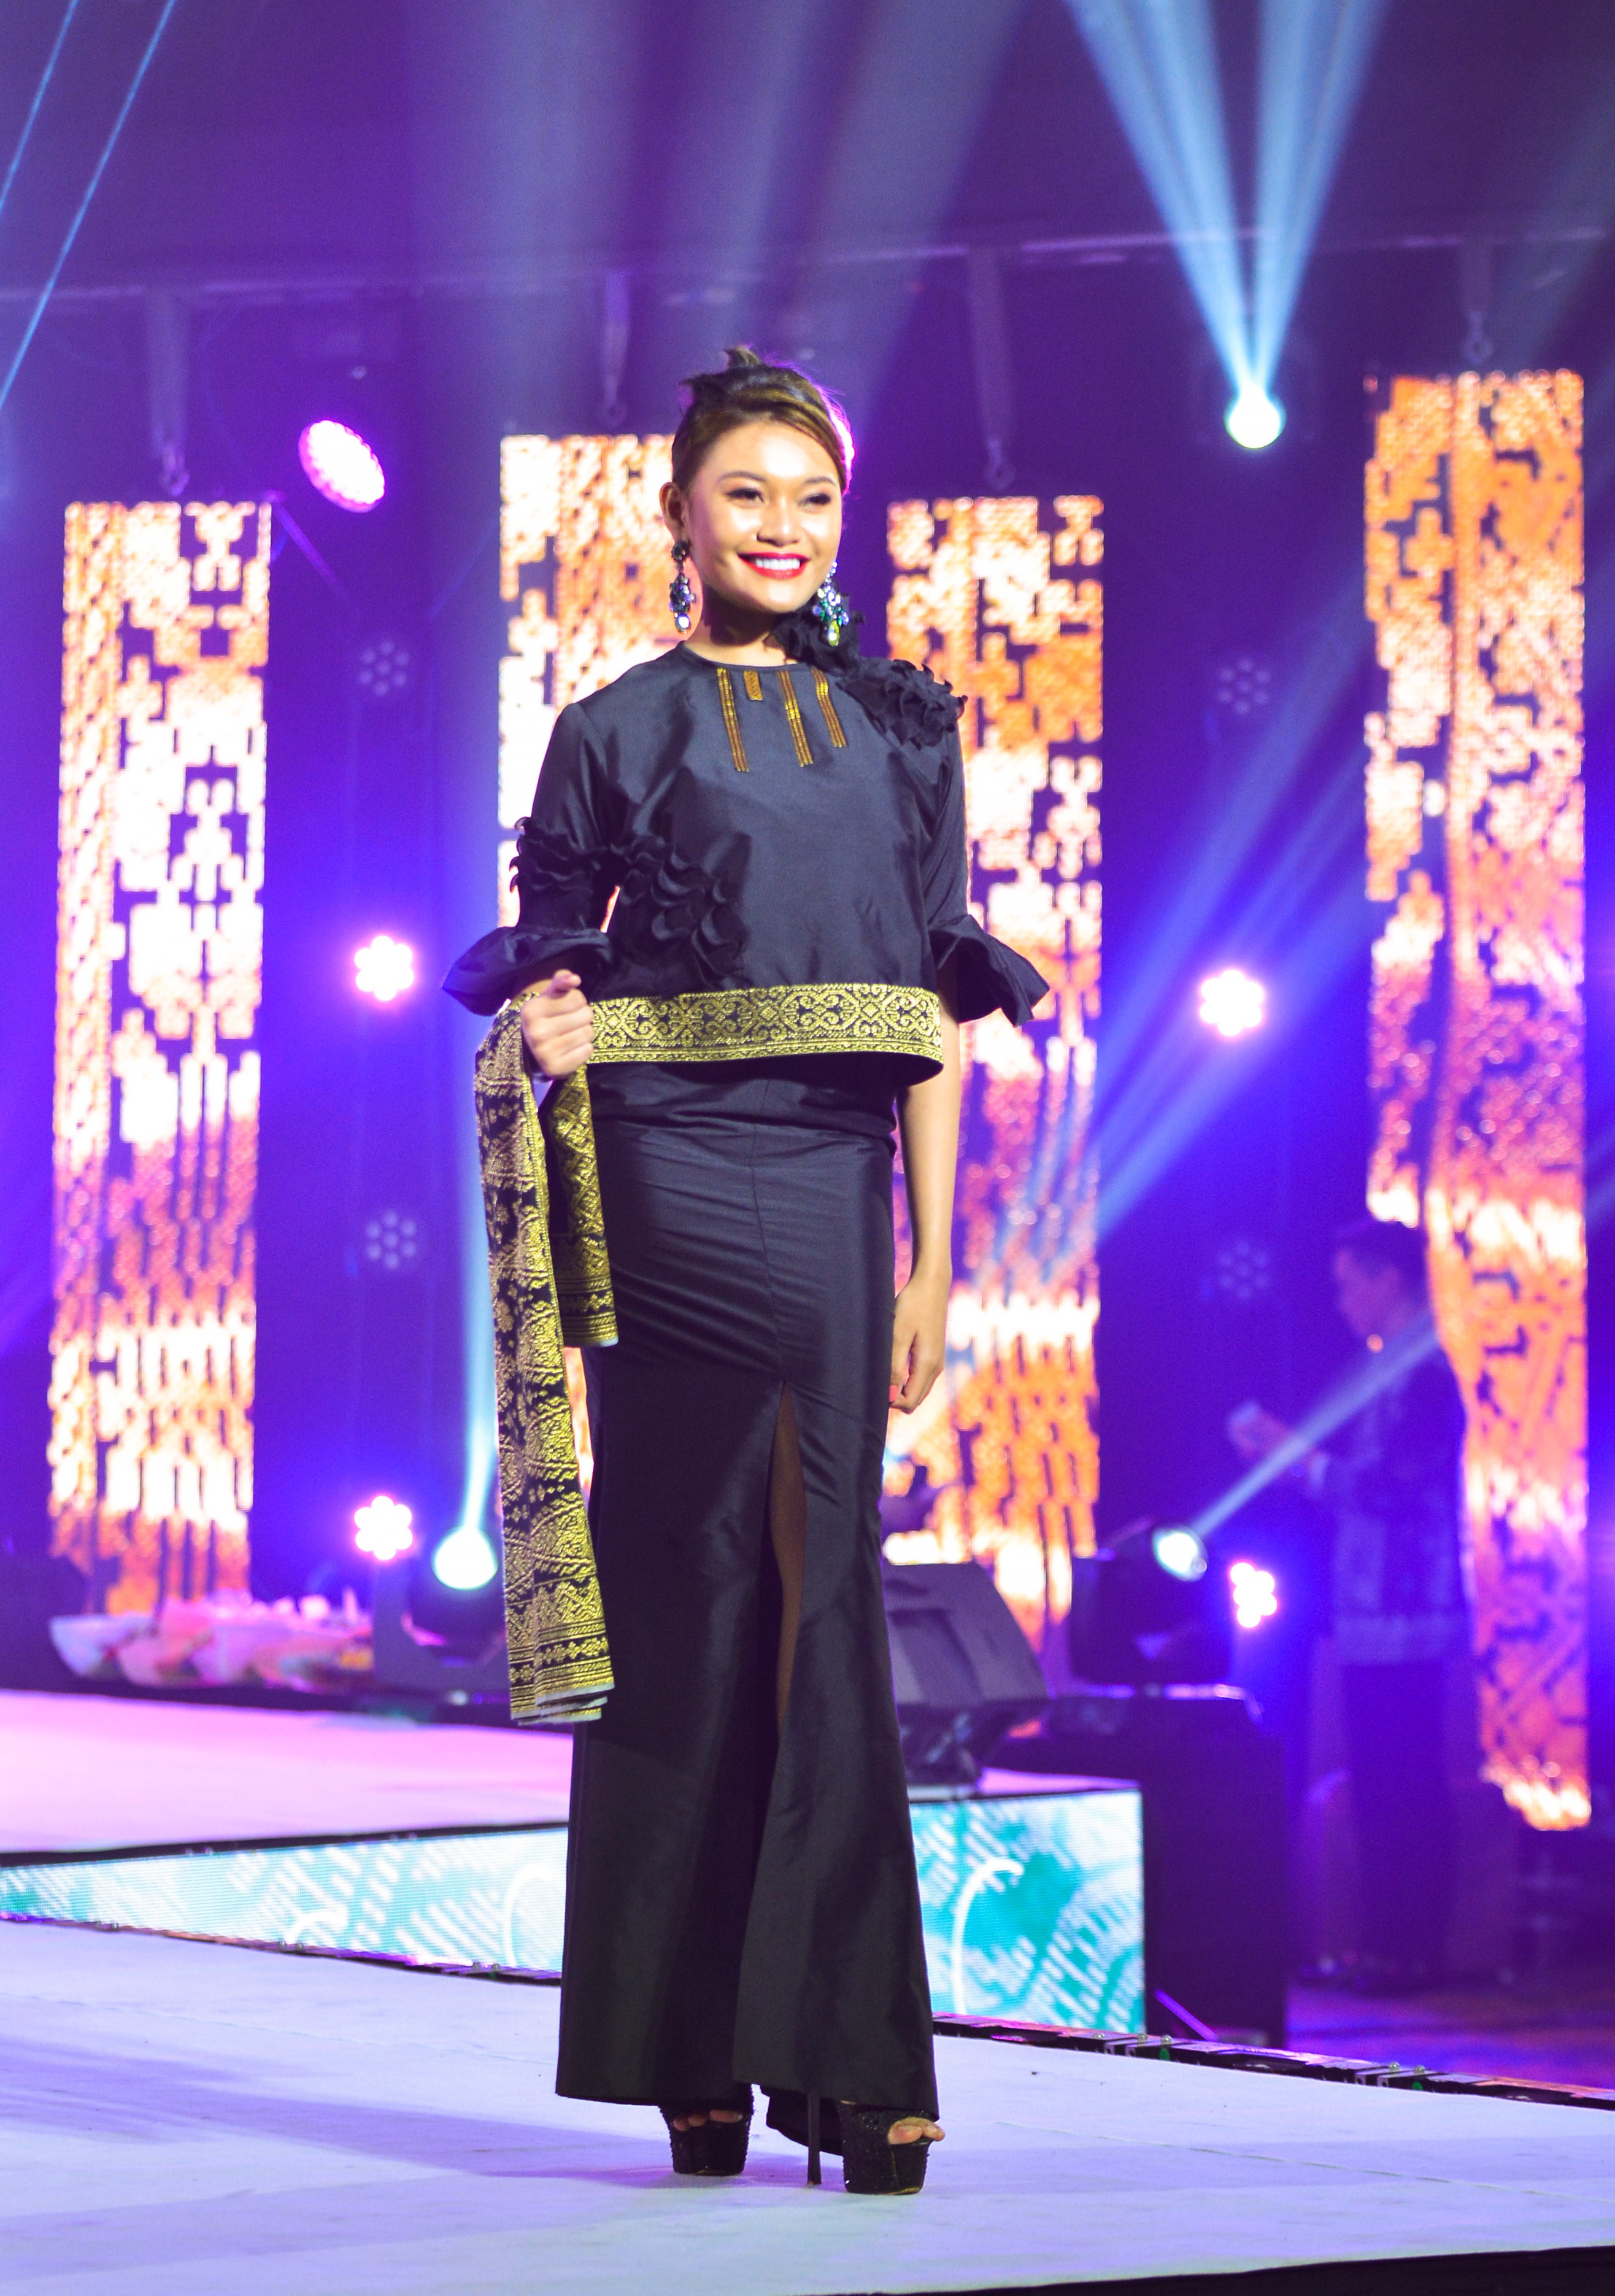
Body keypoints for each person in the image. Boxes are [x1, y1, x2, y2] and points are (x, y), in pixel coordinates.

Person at [445, 347, 1046, 2191]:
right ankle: (684, 2047)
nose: (783, 527)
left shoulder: (905, 727)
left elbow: (933, 1002)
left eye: (812, 498)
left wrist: (937, 1258)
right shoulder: (613, 726)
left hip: (831, 1177)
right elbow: (549, 963)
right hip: (661, 1177)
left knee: (824, 1588)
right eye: (747, 495)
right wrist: (546, 1030)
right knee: (683, 1582)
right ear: (682, 515)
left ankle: (856, 2056)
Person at [1228, 1217, 1469, 1993]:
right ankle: (1384, 1944)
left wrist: (1293, 1458)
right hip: (1369, 1613)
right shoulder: (1389, 1371)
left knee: (1406, 1780)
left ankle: (1412, 1949)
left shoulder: (1422, 1373)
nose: (1341, 1303)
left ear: (1388, 1278)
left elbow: (1386, 1489)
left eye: (1349, 1284)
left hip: (1409, 1615)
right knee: (1377, 1780)